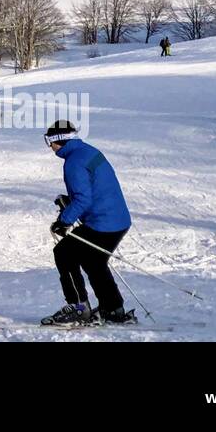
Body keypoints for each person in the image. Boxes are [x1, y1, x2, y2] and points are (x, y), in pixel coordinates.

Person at [40, 120, 135, 327]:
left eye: (49, 141)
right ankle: (113, 309)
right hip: (118, 220)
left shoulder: (73, 161)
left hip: (103, 223)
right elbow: (92, 188)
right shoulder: (88, 151)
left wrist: (63, 221)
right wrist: (69, 202)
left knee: (64, 253)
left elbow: (83, 198)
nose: (49, 146)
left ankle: (78, 308)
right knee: (94, 262)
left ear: (60, 140)